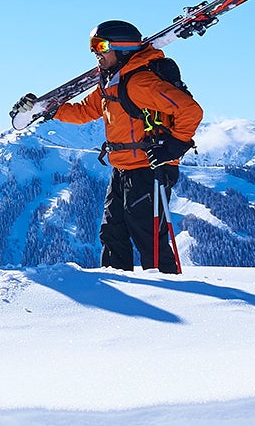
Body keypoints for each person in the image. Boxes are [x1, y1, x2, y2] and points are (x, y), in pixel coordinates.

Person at [47, 20, 203, 273]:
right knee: (112, 233)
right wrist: (53, 112)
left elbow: (190, 110)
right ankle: (119, 289)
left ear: (122, 48)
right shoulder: (111, 83)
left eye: (101, 46)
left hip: (149, 169)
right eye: (93, 46)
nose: (96, 53)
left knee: (148, 236)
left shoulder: (139, 83)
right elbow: (85, 111)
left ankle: (169, 294)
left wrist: (175, 145)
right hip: (122, 168)